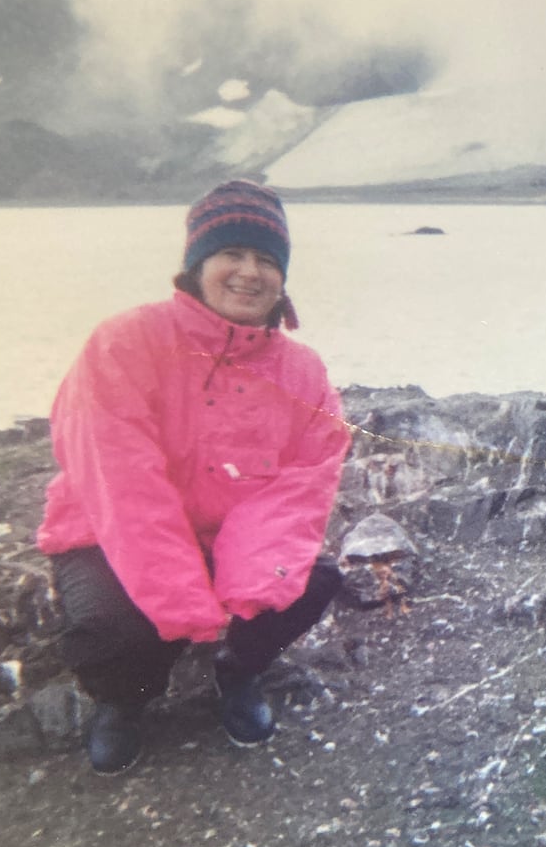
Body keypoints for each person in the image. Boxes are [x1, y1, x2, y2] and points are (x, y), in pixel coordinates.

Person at [36, 180, 350, 775]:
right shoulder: (124, 342)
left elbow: (297, 491)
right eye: (232, 254)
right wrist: (188, 605)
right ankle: (125, 699)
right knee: (112, 625)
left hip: (227, 541)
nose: (249, 273)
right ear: (196, 265)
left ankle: (238, 670)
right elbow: (124, 488)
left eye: (267, 260)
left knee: (309, 581)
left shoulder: (303, 371)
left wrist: (246, 593)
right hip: (111, 535)